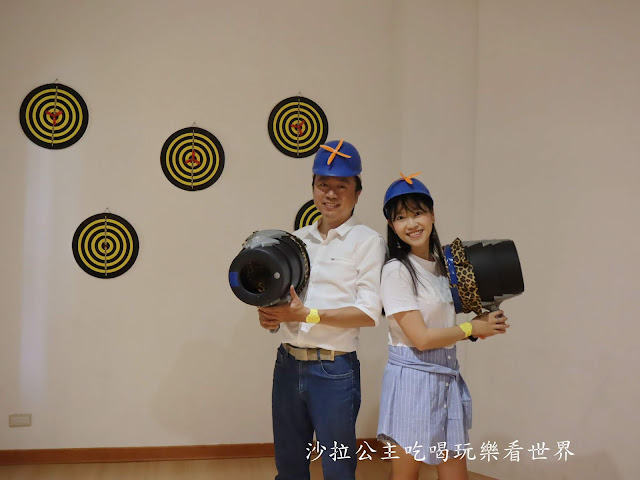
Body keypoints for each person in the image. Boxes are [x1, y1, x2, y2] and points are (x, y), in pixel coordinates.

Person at [258, 139, 386, 480]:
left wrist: (307, 315)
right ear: (313, 188)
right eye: (323, 185)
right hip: (287, 364)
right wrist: (272, 318)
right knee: (289, 465)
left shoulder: (368, 241)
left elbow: (369, 313)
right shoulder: (296, 240)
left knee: (338, 468)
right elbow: (284, 302)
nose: (331, 194)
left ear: (357, 193)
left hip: (334, 369)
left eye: (341, 186)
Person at [376, 173, 509, 480]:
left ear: (432, 215)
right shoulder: (396, 271)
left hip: (446, 377)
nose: (411, 223)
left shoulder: (443, 267)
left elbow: (443, 323)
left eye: (418, 213)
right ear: (392, 226)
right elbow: (421, 339)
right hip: (412, 381)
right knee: (406, 476)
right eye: (401, 217)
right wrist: (471, 329)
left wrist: (483, 326)